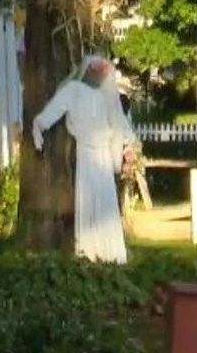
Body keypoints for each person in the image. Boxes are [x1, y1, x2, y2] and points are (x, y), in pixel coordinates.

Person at [31, 54, 137, 263]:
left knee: (105, 201)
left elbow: (119, 122)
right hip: (86, 155)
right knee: (88, 200)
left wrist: (128, 147)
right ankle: (88, 249)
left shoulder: (107, 96)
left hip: (104, 157)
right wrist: (41, 123)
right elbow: (57, 107)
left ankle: (109, 251)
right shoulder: (74, 91)